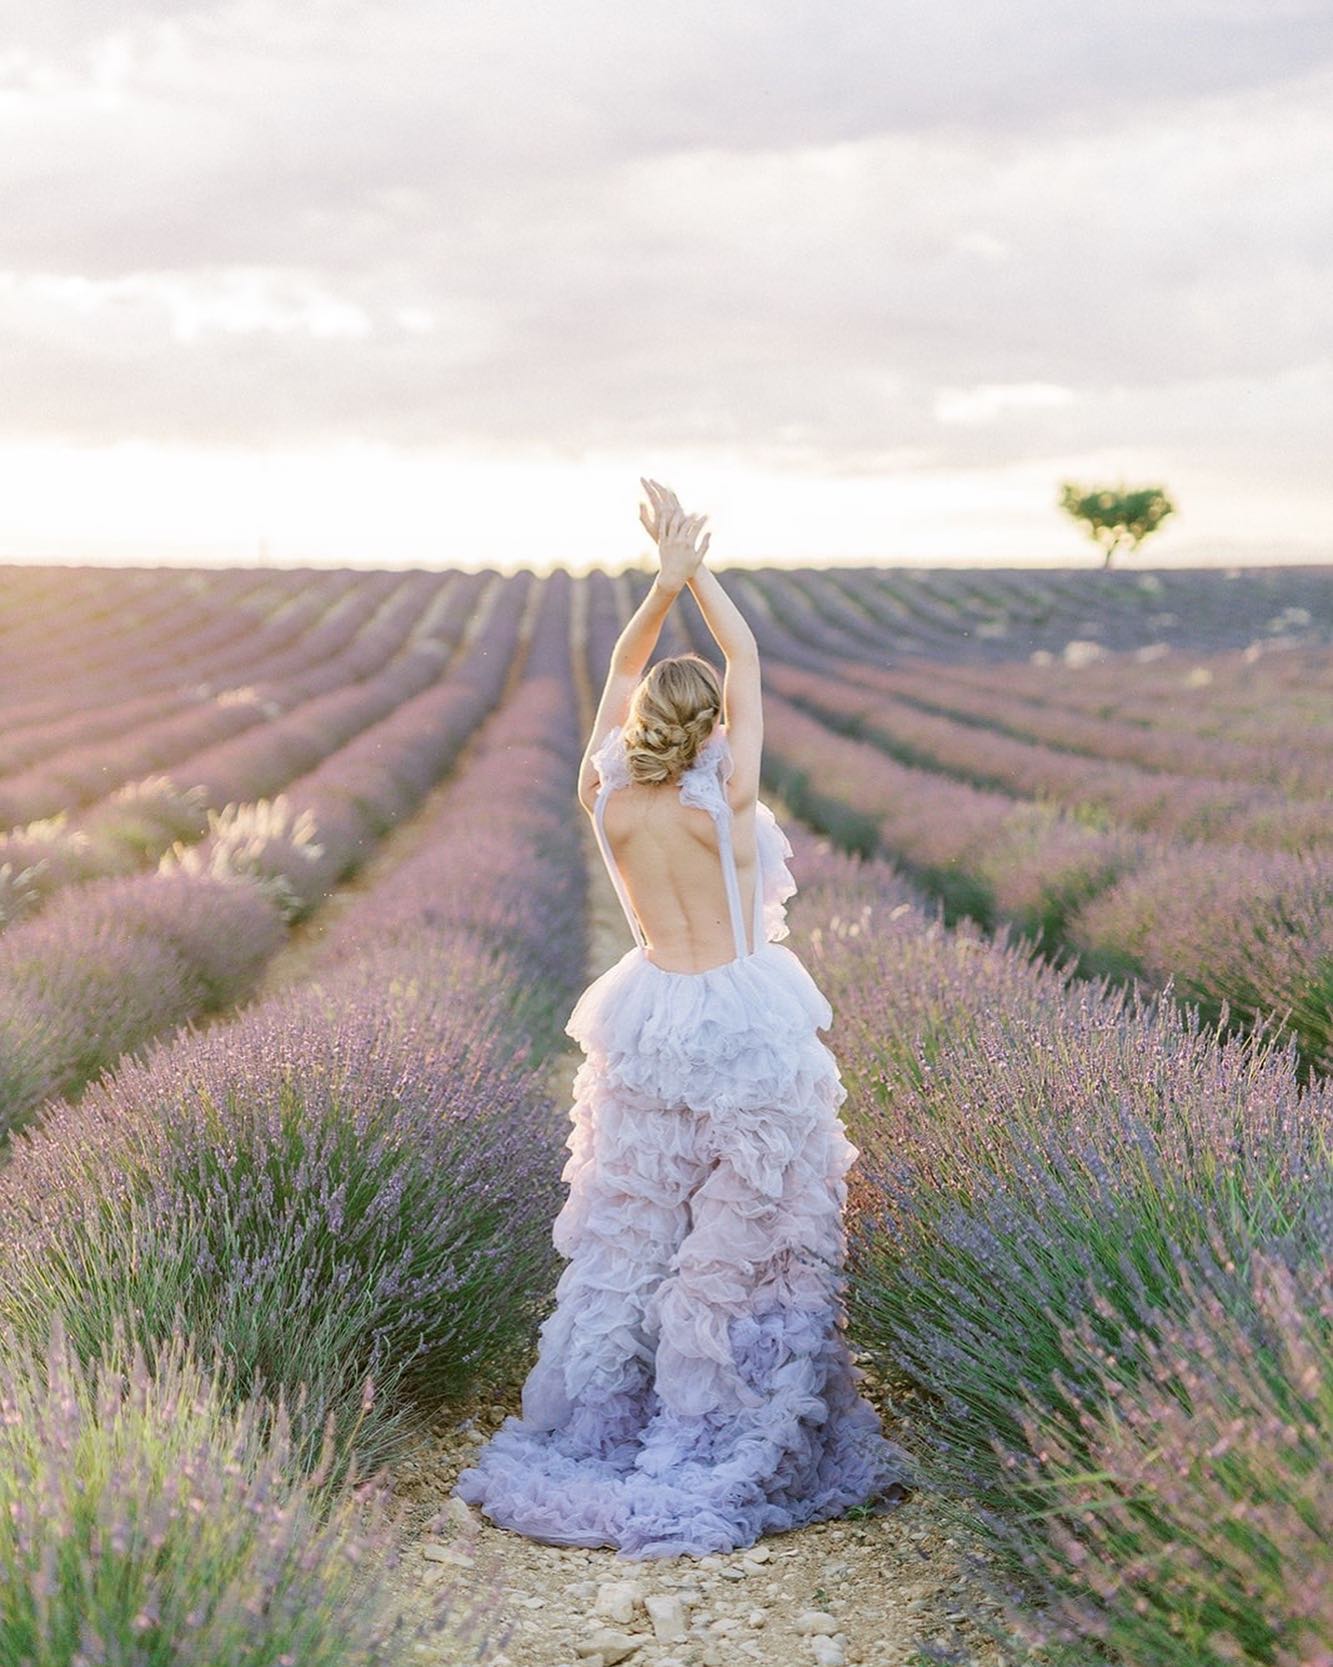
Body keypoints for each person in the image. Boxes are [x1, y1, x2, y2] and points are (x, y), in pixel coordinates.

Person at [453, 479, 912, 1559]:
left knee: (633, 1231)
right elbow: (746, 661)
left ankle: (612, 1419)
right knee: (752, 1237)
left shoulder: (606, 792)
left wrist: (654, 587)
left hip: (650, 1011)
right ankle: (724, 1426)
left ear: (639, 724)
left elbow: (614, 674)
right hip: (743, 1018)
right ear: (708, 725)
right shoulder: (726, 796)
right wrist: (697, 569)